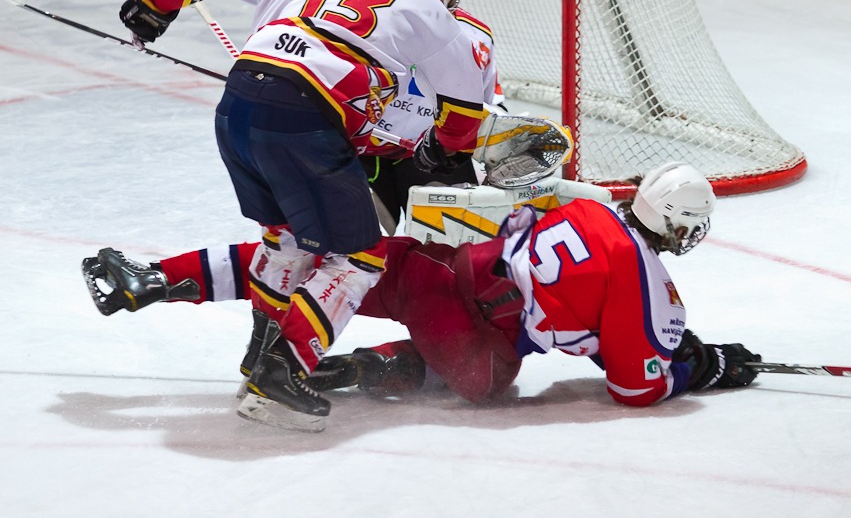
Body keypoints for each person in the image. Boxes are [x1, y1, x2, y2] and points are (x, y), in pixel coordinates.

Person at [115, 0, 486, 431]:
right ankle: (283, 373)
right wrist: (441, 153)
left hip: (238, 106)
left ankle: (258, 365)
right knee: (359, 258)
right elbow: (464, 113)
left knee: (286, 239)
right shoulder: (426, 7)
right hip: (309, 124)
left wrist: (151, 9)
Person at [84, 162, 761, 410]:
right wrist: (696, 366)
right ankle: (358, 369)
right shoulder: (650, 285)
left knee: (318, 262)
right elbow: (636, 386)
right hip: (471, 345)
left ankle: (156, 278)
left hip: (436, 270)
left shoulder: (589, 207)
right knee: (489, 379)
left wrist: (657, 344)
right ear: (683, 229)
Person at [362, 0, 503, 233]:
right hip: (364, 150)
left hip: (430, 152)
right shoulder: (375, 22)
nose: (441, 4)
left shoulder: (476, 35)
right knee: (359, 238)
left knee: (451, 239)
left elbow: (490, 104)